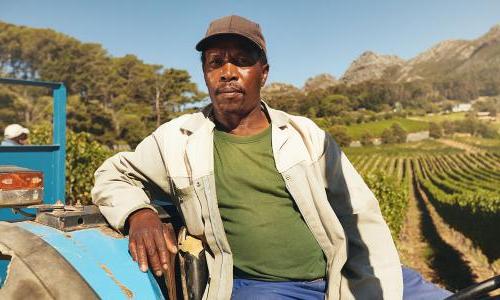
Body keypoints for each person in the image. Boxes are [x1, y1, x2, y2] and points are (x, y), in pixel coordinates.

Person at [92, 15, 451, 300]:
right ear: (205, 75)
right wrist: (139, 214)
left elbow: (360, 215)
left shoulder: (306, 137)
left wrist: (374, 284)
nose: (228, 72)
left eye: (242, 62)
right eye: (216, 63)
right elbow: (112, 174)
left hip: (342, 271)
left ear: (263, 72)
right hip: (267, 288)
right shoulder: (178, 139)